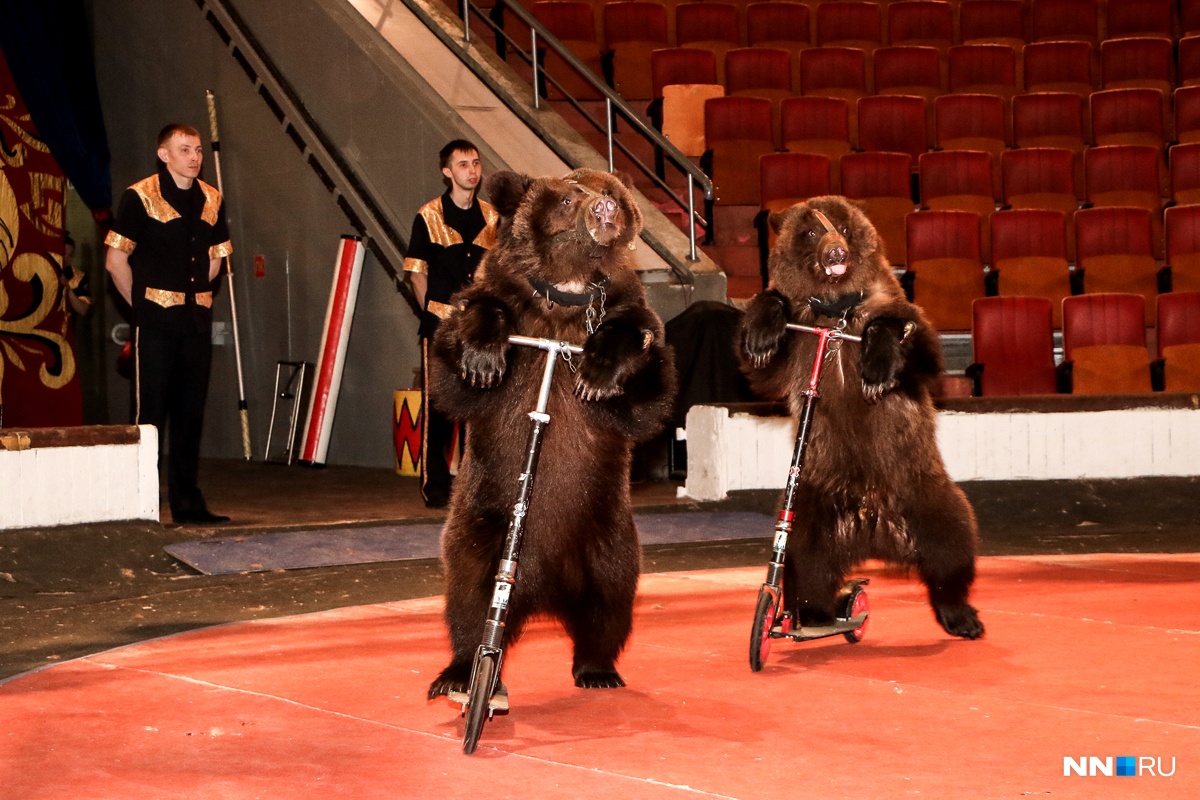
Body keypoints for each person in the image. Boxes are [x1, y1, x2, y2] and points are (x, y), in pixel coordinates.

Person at [104, 123, 233, 524]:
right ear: (165, 155)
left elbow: (217, 258)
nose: (194, 157)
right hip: (156, 325)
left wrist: (193, 296)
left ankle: (187, 503)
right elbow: (115, 261)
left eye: (197, 150)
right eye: (184, 150)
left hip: (195, 322)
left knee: (191, 414)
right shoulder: (139, 196)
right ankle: (138, 506)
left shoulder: (212, 198)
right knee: (149, 417)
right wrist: (141, 309)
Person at [404, 139, 498, 507]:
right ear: (447, 172)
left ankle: (476, 483)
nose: (472, 171)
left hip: (479, 326)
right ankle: (436, 483)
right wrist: (432, 312)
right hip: (441, 325)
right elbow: (416, 273)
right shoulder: (428, 215)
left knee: (479, 404)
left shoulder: (491, 217)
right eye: (463, 164)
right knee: (439, 407)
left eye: (475, 163)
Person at [58, 234, 92, 318]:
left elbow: (83, 310)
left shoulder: (78, 277)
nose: (66, 258)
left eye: (70, 255)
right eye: (63, 253)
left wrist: (68, 288)